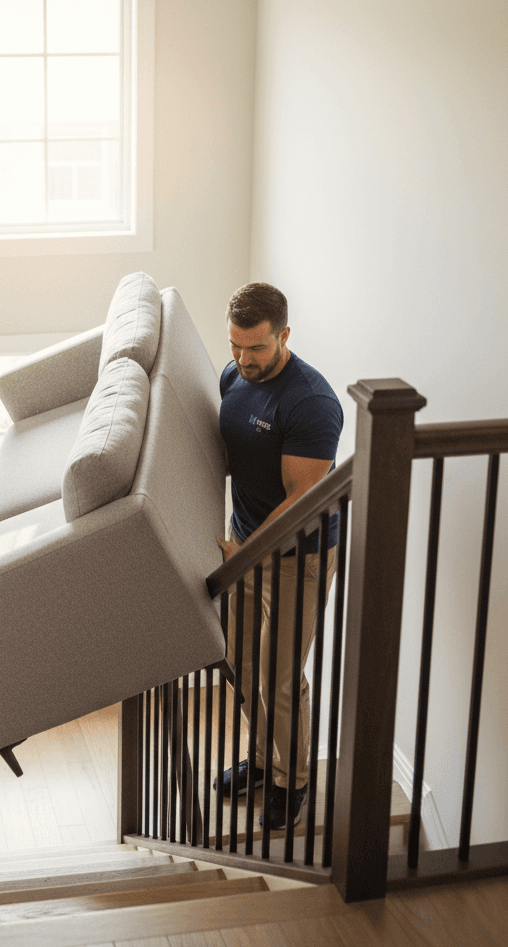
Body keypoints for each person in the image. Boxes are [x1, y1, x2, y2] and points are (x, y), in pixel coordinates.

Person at [215, 282, 343, 831]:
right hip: (243, 543)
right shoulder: (232, 377)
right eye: (236, 346)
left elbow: (299, 503)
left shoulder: (310, 403)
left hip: (296, 554)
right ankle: (265, 759)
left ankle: (294, 780)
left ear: (284, 335)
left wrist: (242, 554)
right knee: (238, 662)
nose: (243, 360)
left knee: (279, 677)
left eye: (257, 349)